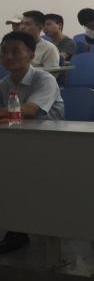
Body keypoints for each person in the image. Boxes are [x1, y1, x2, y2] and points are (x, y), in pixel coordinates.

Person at [0, 30, 65, 255]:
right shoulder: (4, 83)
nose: (8, 56)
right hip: (18, 141)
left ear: (31, 54)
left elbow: (29, 110)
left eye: (15, 51)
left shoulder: (44, 79)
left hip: (50, 143)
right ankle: (16, 225)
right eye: (4, 52)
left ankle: (20, 229)